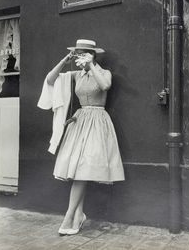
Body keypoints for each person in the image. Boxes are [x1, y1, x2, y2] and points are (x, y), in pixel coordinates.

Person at [38, 39, 125, 236]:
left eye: (83, 53)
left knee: (83, 170)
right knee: (77, 170)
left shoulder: (103, 72)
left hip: (97, 122)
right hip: (79, 122)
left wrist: (91, 65)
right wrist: (65, 59)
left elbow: (104, 86)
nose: (79, 56)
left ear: (92, 54)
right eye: (77, 53)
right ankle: (77, 216)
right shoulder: (76, 74)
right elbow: (50, 80)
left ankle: (70, 217)